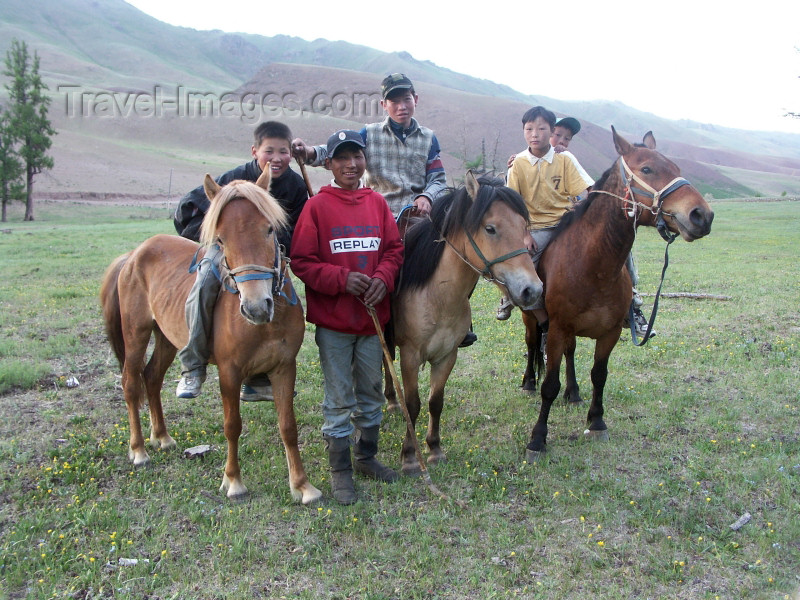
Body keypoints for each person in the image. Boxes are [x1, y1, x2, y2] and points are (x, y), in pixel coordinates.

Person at [292, 73, 477, 348]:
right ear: (383, 105)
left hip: (418, 217)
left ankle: (459, 320)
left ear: (415, 100)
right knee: (389, 268)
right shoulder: (369, 134)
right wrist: (307, 152)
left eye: (406, 99)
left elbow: (437, 178)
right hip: (377, 215)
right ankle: (390, 322)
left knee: (456, 256)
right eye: (394, 101)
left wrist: (427, 195)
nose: (401, 106)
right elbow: (336, 153)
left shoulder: (428, 138)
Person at [290, 130, 404, 505]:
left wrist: (382, 279)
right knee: (339, 399)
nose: (350, 165)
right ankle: (341, 472)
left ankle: (367, 457)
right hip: (335, 324)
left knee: (371, 392)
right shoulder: (316, 207)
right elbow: (303, 262)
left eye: (357, 157)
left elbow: (393, 250)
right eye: (342, 158)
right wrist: (342, 279)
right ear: (329, 164)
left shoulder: (377, 204)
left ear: (364, 160)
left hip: (372, 321)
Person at [173, 121, 308, 400]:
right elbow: (189, 209)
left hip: (268, 255)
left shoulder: (295, 185)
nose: (276, 158)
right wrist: (217, 238)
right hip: (227, 250)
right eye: (269, 151)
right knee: (205, 282)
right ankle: (193, 364)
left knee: (283, 296)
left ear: (291, 155)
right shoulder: (235, 178)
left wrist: (277, 246)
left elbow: (300, 226)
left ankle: (259, 375)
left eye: (283, 151)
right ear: (254, 151)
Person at [504, 106, 593, 339]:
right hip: (538, 227)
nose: (535, 134)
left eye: (542, 129)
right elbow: (514, 205)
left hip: (565, 222)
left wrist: (583, 204)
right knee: (522, 271)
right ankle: (544, 324)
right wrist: (524, 234)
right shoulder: (519, 164)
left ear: (550, 131)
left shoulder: (564, 159)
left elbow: (584, 190)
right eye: (529, 129)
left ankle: (626, 301)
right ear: (523, 131)